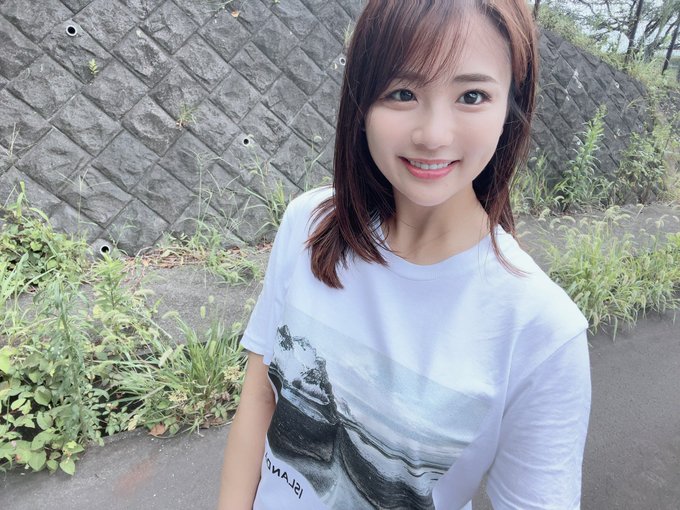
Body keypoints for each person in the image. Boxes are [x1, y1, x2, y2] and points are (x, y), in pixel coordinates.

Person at [218, 0, 591, 508]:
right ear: (362, 102)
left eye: (472, 95)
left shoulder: (542, 330)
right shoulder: (310, 223)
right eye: (402, 93)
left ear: (511, 106)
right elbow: (261, 396)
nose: (433, 135)